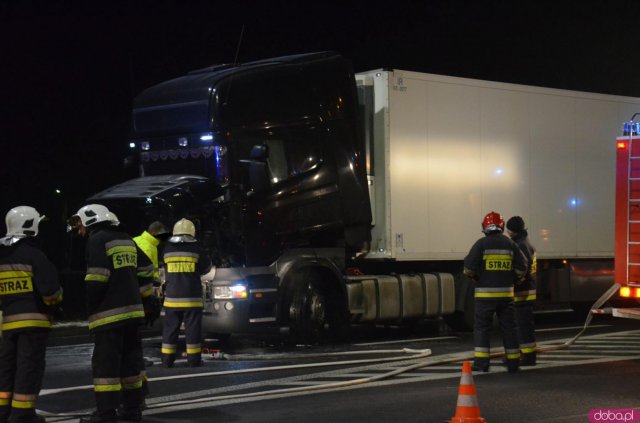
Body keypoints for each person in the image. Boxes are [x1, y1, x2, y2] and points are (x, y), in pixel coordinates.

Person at [71, 204, 150, 423]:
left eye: (80, 225)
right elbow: (146, 269)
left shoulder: (97, 239)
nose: (79, 231)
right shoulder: (126, 239)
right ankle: (133, 410)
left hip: (108, 316)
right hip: (133, 315)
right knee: (131, 365)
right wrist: (143, 298)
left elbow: (97, 278)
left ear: (90, 221)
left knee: (106, 367)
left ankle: (105, 414)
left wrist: (89, 308)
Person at [0, 206, 63, 423]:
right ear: (31, 226)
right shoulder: (35, 255)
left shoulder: (2, 255)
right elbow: (51, 293)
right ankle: (22, 415)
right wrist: (56, 302)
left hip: (7, 324)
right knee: (29, 369)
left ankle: (4, 412)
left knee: (7, 368)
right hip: (34, 323)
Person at [463, 211, 527, 373]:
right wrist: (514, 280)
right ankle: (513, 363)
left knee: (482, 328)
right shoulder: (510, 244)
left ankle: (482, 364)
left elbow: (468, 269)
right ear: (502, 226)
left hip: (485, 297)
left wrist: (477, 277)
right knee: (509, 328)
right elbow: (522, 269)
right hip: (506, 296)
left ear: (484, 227)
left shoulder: (481, 244)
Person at [161, 219, 212, 368]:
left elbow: (165, 268)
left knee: (170, 330)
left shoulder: (167, 248)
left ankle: (167, 361)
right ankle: (194, 361)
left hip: (171, 298)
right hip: (192, 299)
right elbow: (206, 268)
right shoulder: (197, 248)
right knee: (193, 330)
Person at [506, 216, 538, 366]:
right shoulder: (525, 242)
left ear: (512, 230)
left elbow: (522, 268)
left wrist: (515, 281)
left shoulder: (520, 245)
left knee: (523, 326)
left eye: (508, 229)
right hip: (526, 290)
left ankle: (528, 357)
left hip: (522, 291)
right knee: (523, 325)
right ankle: (525, 355)